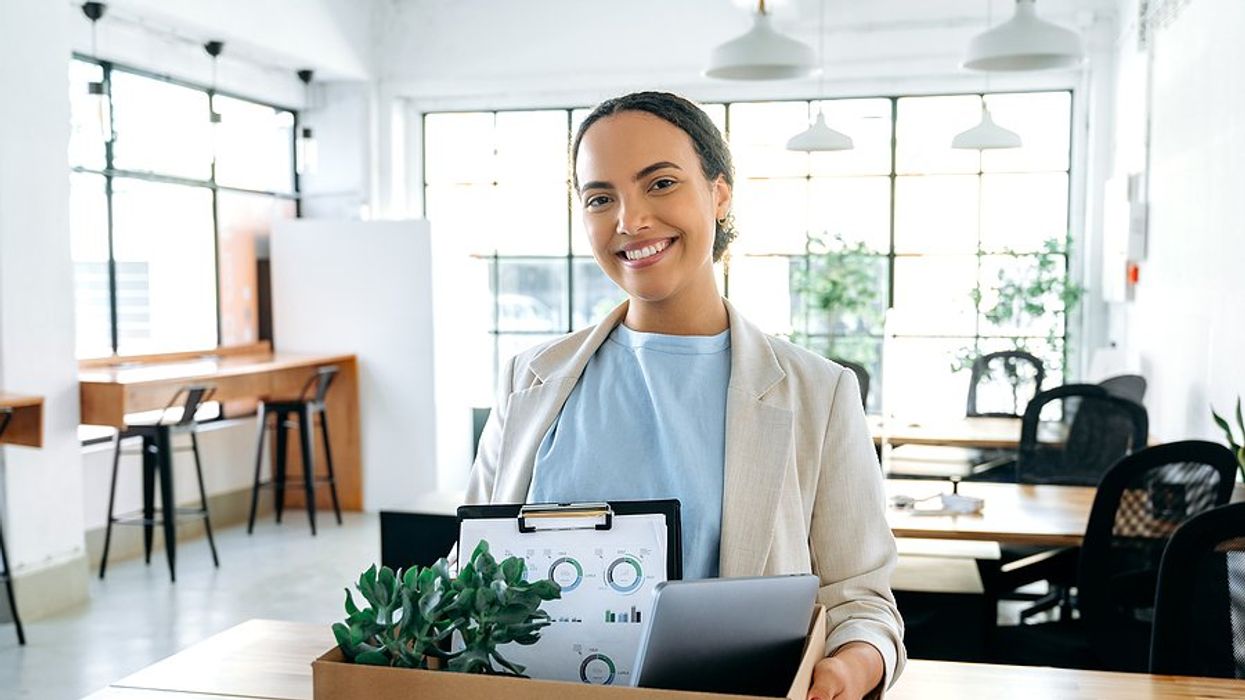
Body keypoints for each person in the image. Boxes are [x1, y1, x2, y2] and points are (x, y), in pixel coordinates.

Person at [465, 91, 904, 700]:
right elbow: (466, 573)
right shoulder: (529, 379)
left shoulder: (820, 393)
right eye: (600, 198)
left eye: (661, 183)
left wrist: (849, 667)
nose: (630, 220)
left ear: (719, 195)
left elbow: (861, 601)